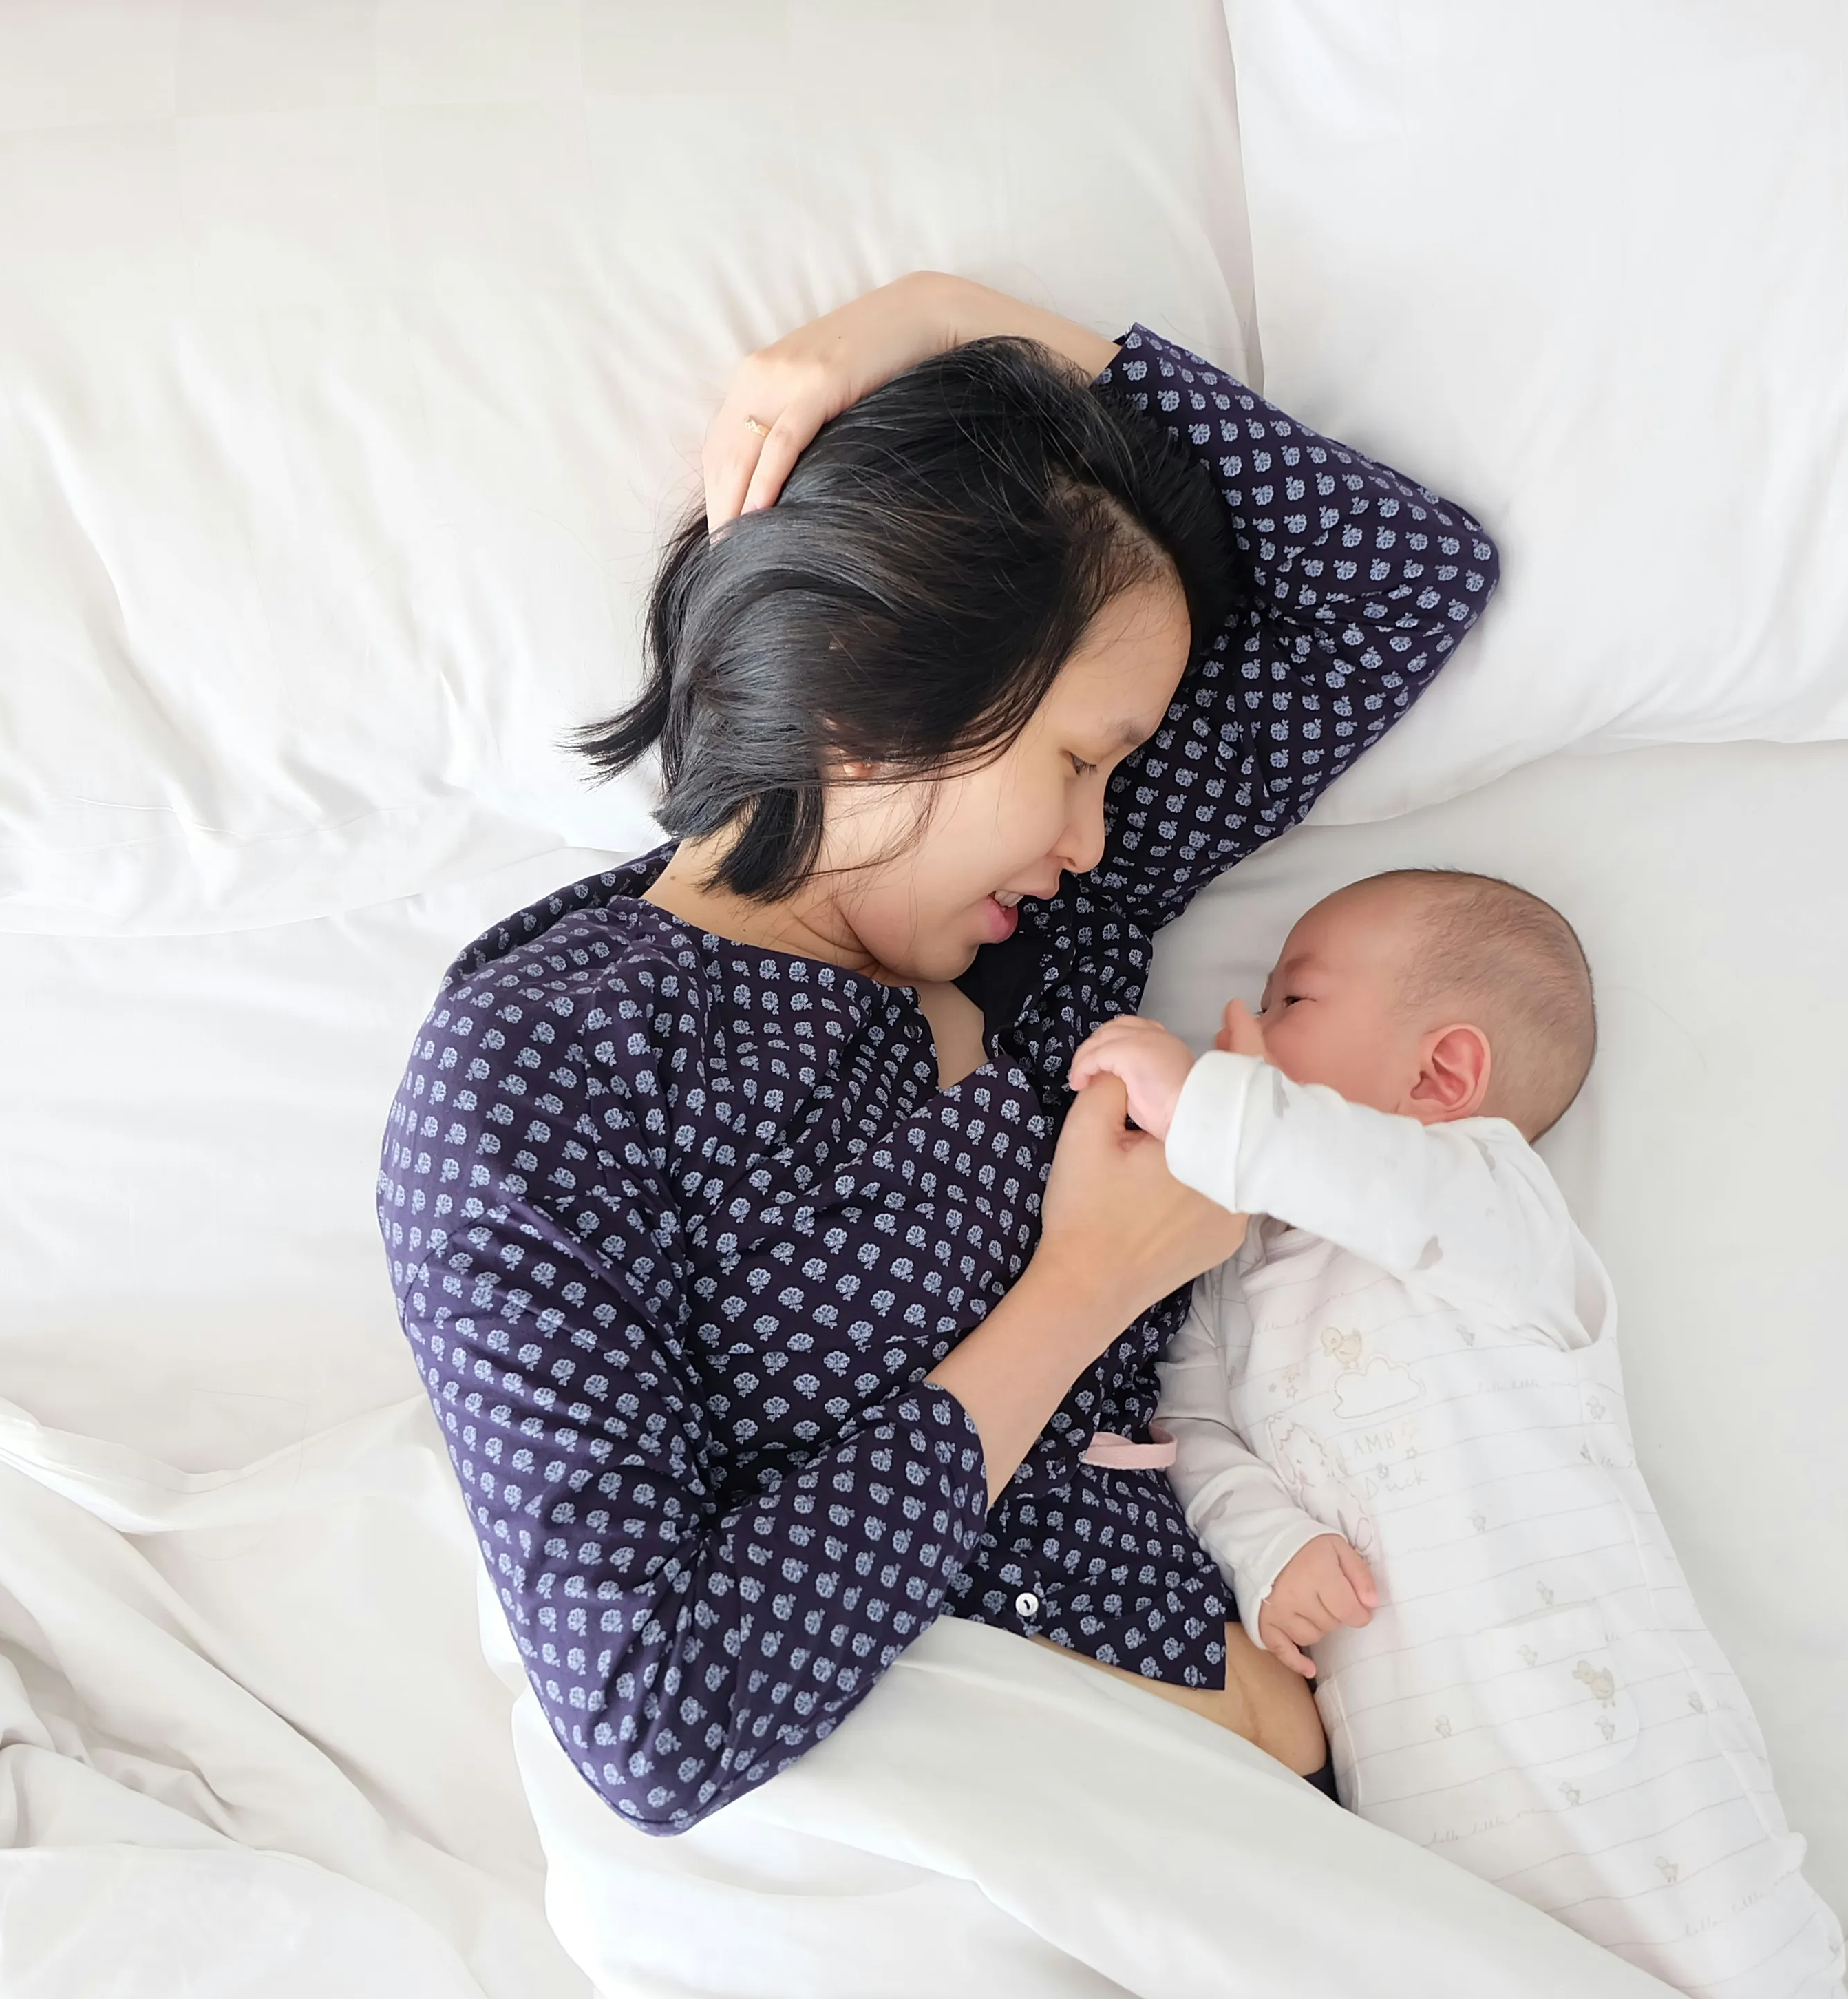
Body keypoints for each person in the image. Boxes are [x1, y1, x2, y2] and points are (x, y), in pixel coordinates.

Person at [379, 273, 1494, 1833]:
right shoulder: (545, 1063)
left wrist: (956, 321)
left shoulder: (1048, 935)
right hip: (982, 1873)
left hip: (1285, 1842)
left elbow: (1399, 581)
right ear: (884, 684)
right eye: (1079, 762)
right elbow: (653, 1714)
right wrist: (1081, 1291)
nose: (1100, 830)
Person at [1070, 871, 1848, 1999]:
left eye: (1289, 1001)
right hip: (1437, 1828)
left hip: (1636, 1763)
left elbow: (1352, 1173)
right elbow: (1197, 1436)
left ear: (1439, 1080)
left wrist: (1207, 1101)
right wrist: (1269, 1546)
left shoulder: (1490, 1202)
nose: (1243, 1026)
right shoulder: (1239, 1266)